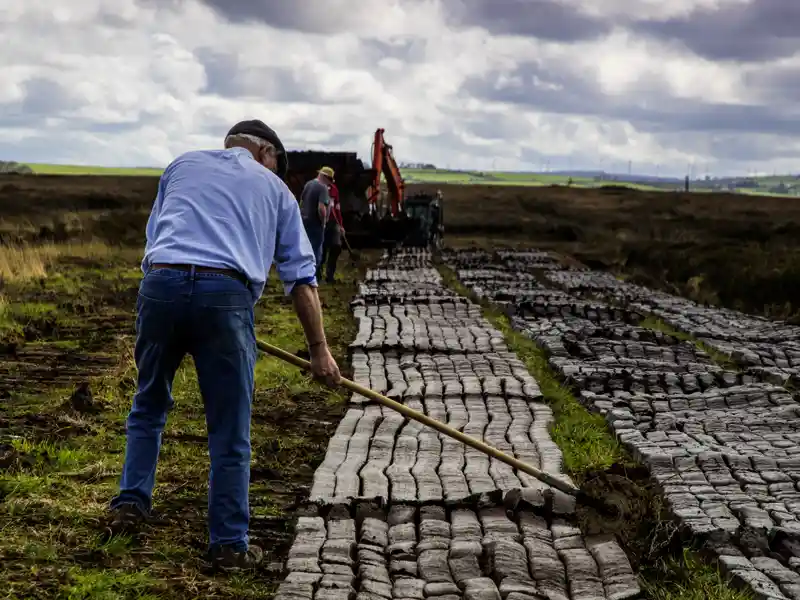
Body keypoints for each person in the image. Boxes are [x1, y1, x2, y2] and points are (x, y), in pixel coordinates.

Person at [107, 119, 341, 572]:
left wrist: (175, 299)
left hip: (161, 287)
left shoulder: (181, 165)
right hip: (225, 297)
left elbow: (155, 239)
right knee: (230, 428)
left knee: (149, 402)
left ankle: (131, 503)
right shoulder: (275, 189)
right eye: (279, 163)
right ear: (267, 154)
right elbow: (301, 278)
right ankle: (229, 545)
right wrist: (319, 350)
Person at [300, 166, 334, 272]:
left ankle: (302, 275)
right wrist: (323, 222)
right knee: (315, 252)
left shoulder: (308, 184)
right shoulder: (322, 187)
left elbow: (301, 202)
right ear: (325, 177)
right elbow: (321, 208)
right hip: (315, 224)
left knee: (305, 250)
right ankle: (312, 277)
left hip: (304, 222)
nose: (329, 183)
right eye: (329, 180)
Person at [319, 180, 345, 283]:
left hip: (333, 223)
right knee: (322, 250)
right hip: (321, 223)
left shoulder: (334, 190)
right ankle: (318, 276)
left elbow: (337, 209)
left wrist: (341, 225)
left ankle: (330, 276)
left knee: (336, 247)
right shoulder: (318, 188)